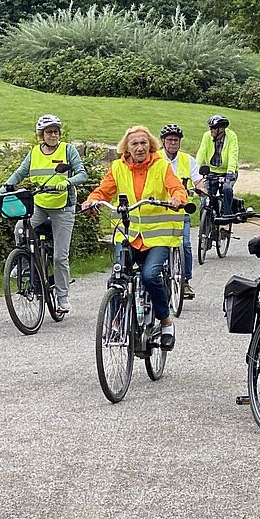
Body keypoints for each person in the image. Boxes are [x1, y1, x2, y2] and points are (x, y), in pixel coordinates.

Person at [82, 125, 187, 350]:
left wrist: (178, 198)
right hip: (129, 235)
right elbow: (103, 191)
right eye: (134, 144)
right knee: (118, 278)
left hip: (157, 238)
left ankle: (166, 322)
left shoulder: (161, 166)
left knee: (150, 276)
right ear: (126, 148)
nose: (139, 148)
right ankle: (117, 323)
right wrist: (92, 200)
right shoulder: (118, 167)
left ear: (150, 145)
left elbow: (176, 188)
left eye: (143, 143)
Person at [1, 114, 88, 314]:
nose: (53, 135)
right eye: (49, 132)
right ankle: (24, 264)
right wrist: (1, 191)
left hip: (63, 207)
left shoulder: (68, 150)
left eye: (56, 131)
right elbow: (19, 174)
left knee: (60, 257)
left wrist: (67, 182)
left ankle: (63, 297)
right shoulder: (34, 153)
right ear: (42, 134)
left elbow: (82, 174)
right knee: (21, 228)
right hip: (39, 204)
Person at [159, 124, 203, 299]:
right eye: (169, 140)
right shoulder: (155, 159)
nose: (172, 143)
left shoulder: (188, 160)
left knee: (185, 244)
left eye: (176, 140)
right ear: (163, 141)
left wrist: (202, 189)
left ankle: (185, 282)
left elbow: (198, 180)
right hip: (159, 212)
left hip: (181, 211)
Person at [195, 114, 238, 216]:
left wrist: (230, 172)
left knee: (227, 189)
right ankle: (205, 221)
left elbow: (233, 154)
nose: (211, 131)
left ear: (222, 129)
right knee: (206, 194)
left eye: (214, 128)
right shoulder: (207, 136)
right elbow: (201, 152)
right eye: (210, 128)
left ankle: (227, 216)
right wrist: (195, 169)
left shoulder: (231, 136)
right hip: (212, 171)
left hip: (227, 171)